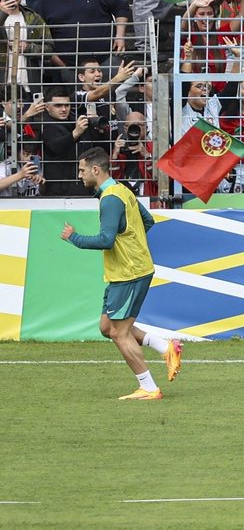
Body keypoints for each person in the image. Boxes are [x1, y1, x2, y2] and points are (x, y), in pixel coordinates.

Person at [61, 147, 180, 399]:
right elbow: (148, 221)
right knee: (107, 327)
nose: (80, 175)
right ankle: (165, 346)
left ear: (96, 169)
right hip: (128, 270)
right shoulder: (123, 190)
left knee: (119, 332)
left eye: (82, 170)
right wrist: (133, 245)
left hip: (129, 272)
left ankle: (148, 387)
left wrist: (74, 238)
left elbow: (106, 239)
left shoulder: (110, 198)